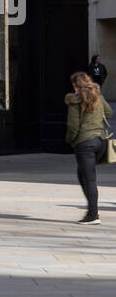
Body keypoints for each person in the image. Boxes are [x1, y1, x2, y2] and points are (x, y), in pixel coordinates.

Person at [65, 71, 112, 225]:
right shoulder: (98, 96)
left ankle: (93, 215)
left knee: (89, 179)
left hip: (85, 144)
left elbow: (73, 126)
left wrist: (71, 141)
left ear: (75, 85)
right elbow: (109, 112)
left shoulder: (74, 100)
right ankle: (92, 211)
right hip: (100, 142)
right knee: (83, 174)